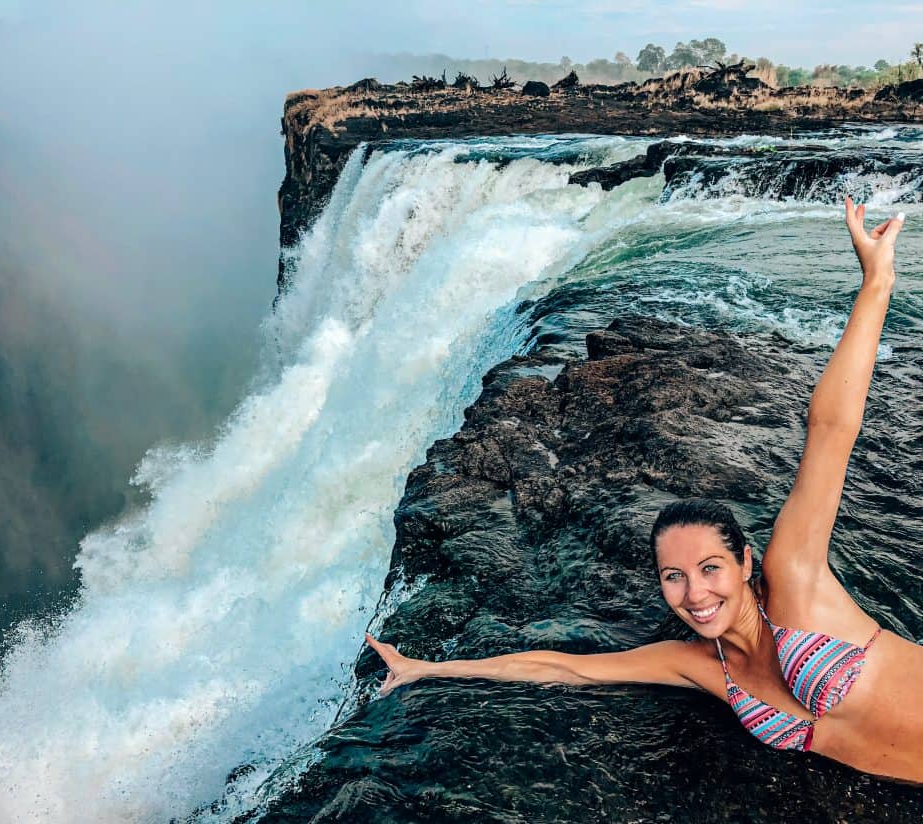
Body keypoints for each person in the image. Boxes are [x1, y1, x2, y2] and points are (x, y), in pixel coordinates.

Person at [366, 196, 923, 783]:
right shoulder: (701, 667)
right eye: (673, 576)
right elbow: (566, 669)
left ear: (745, 562)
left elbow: (831, 431)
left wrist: (876, 282)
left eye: (709, 568)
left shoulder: (796, 584)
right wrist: (429, 669)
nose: (695, 593)